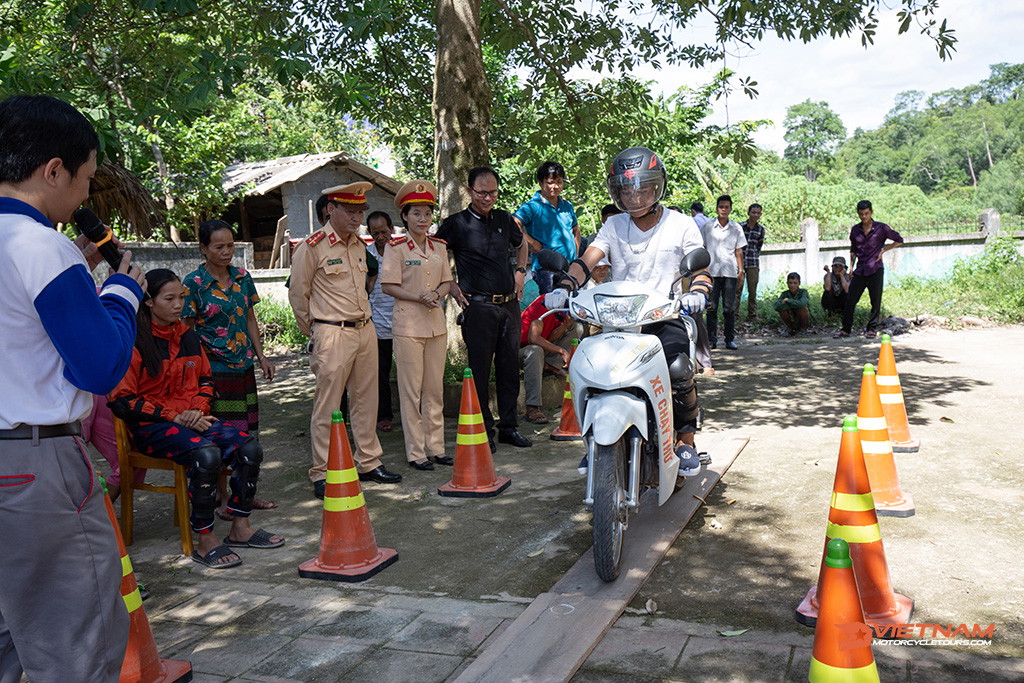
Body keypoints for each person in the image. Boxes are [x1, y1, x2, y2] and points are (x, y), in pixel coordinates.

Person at [0, 94, 145, 682]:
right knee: (74, 639)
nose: (86, 196)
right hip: (35, 466)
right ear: (52, 169)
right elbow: (99, 367)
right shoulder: (40, 246)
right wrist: (120, 293)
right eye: (85, 178)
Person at [546, 146, 712, 475]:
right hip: (616, 322)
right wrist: (564, 286)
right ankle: (595, 439)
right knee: (586, 368)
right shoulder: (613, 225)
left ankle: (686, 440)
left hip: (662, 316)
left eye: (642, 188)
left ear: (657, 186)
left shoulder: (681, 224)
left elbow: (699, 267)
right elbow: (586, 260)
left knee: (679, 368)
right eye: (625, 189)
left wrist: (697, 291)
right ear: (617, 192)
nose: (634, 196)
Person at [110, 269, 284, 568]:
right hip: (153, 429)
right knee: (207, 454)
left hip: (192, 419)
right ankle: (205, 540)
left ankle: (240, 528)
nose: (179, 305)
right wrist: (175, 416)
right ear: (149, 302)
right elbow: (122, 401)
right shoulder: (133, 341)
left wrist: (196, 411)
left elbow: (206, 380)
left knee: (249, 448)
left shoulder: (188, 335)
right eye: (170, 298)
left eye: (181, 298)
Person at [289, 182, 402, 499]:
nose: (356, 218)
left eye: (359, 212)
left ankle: (368, 462)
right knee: (328, 406)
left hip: (365, 329)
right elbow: (299, 296)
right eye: (350, 211)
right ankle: (322, 472)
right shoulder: (312, 247)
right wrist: (316, 332)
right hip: (332, 332)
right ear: (331, 209)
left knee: (367, 401)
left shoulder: (358, 246)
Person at [182, 219, 278, 518]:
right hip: (213, 372)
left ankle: (245, 494)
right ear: (203, 248)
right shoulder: (193, 284)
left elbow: (249, 318)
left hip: (243, 367)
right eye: (219, 247)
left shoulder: (242, 277)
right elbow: (185, 330)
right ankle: (222, 499)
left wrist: (261, 357)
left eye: (230, 246)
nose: (227, 252)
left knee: (247, 434)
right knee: (220, 435)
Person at [437, 167, 532, 451]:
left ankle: (509, 427)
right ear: (469, 191)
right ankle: (483, 431)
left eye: (493, 192)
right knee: (479, 371)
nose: (488, 198)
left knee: (508, 370)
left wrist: (520, 272)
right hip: (478, 308)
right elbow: (435, 253)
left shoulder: (504, 218)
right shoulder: (456, 223)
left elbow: (522, 244)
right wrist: (450, 284)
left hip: (509, 307)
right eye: (482, 193)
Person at [380, 181, 454, 470]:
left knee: (434, 389)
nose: (423, 219)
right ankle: (416, 453)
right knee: (411, 390)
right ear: (405, 217)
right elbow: (388, 285)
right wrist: (419, 297)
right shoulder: (396, 248)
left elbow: (447, 281)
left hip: (436, 323)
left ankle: (436, 447)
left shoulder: (439, 246)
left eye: (427, 213)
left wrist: (436, 293)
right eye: (416, 214)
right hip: (409, 325)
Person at [834, 200, 904, 339]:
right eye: (861, 214)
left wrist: (883, 251)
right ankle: (846, 329)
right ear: (858, 214)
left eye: (866, 213)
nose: (864, 217)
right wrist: (851, 268)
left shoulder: (881, 228)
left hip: (876, 269)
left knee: (875, 301)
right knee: (850, 300)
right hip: (860, 270)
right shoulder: (855, 230)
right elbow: (853, 250)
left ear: (871, 212)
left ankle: (871, 329)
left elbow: (899, 239)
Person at [514, 161, 580, 295]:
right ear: (540, 182)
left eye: (559, 182)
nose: (555, 186)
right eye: (550, 182)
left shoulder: (567, 206)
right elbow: (513, 224)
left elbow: (576, 229)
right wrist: (532, 242)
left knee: (571, 311)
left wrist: (576, 256)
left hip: (570, 268)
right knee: (549, 310)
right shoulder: (531, 207)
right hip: (546, 270)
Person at [519, 295, 578, 424]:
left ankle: (552, 366)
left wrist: (565, 325)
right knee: (535, 351)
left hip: (539, 348)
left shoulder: (564, 308)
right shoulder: (544, 304)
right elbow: (533, 339)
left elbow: (549, 338)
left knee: (575, 327)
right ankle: (532, 407)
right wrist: (561, 351)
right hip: (519, 350)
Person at [701, 195, 747, 350]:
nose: (724, 210)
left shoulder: (736, 228)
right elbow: (702, 248)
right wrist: (702, 270)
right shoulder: (707, 227)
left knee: (729, 308)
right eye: (721, 207)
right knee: (711, 307)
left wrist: (741, 271)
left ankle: (729, 339)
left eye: (727, 207)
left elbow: (739, 251)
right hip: (711, 272)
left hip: (730, 273)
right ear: (717, 208)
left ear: (730, 209)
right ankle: (712, 340)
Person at [366, 210, 397, 432]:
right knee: (379, 374)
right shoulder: (364, 254)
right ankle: (384, 416)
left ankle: (414, 415)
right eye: (375, 233)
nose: (380, 236)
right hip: (375, 325)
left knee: (410, 375)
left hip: (404, 323)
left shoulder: (402, 252)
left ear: (392, 229)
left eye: (384, 231)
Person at [737, 203, 766, 319]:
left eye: (758, 213)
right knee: (737, 289)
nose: (756, 215)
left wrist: (754, 255)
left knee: (752, 290)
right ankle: (734, 315)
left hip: (753, 262)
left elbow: (759, 246)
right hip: (739, 262)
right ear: (748, 213)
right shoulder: (740, 227)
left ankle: (752, 314)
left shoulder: (761, 230)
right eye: (753, 212)